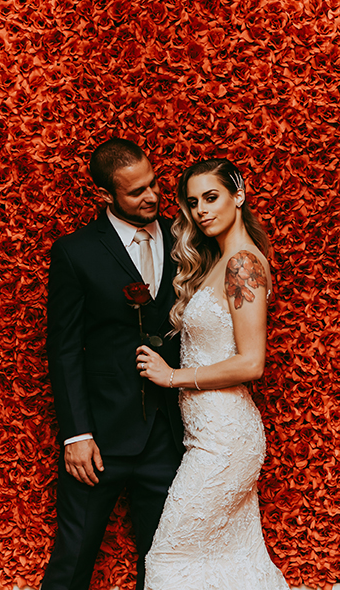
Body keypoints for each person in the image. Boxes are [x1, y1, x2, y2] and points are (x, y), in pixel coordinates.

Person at [136, 158, 289, 590]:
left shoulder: (243, 264)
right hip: (205, 435)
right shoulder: (218, 262)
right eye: (192, 202)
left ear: (238, 195)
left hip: (225, 440)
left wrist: (172, 377)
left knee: (169, 556)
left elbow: (251, 363)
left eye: (211, 197)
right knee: (228, 563)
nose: (201, 210)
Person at [42, 138, 184, 590]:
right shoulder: (75, 251)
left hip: (168, 434)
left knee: (162, 567)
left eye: (155, 184)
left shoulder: (186, 241)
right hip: (99, 439)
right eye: (136, 191)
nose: (153, 197)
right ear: (106, 195)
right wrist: (77, 434)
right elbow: (64, 348)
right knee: (73, 559)